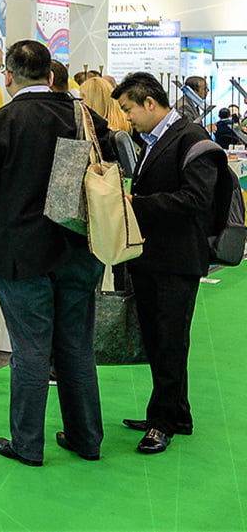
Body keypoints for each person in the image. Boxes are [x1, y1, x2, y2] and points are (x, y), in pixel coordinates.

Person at [0, 39, 115, 467]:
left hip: (22, 251)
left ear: (9, 77)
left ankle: (28, 444)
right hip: (79, 247)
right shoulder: (85, 117)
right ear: (50, 76)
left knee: (30, 349)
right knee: (76, 346)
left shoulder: (1, 122)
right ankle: (86, 438)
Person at [112, 72, 220, 454]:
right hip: (153, 257)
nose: (127, 118)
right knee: (158, 340)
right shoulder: (154, 140)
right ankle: (178, 414)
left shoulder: (192, 139)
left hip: (177, 260)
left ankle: (161, 423)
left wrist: (137, 205)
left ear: (150, 103)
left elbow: (196, 199)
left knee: (170, 341)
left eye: (129, 109)